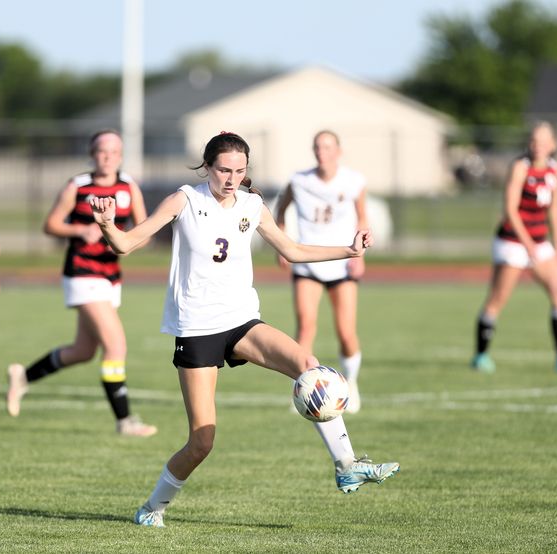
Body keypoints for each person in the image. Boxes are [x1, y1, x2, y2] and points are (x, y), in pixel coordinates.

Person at [90, 131, 399, 528]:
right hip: (197, 328)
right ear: (207, 167)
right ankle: (153, 507)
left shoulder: (252, 205)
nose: (231, 178)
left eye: (239, 170)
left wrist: (349, 249)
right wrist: (107, 225)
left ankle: (347, 464)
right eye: (223, 170)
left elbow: (292, 250)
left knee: (309, 364)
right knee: (202, 440)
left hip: (241, 321)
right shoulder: (185, 200)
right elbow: (127, 243)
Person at [5, 129, 157, 438]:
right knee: (116, 345)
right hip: (82, 273)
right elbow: (50, 224)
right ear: (92, 153)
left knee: (83, 350)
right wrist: (80, 231)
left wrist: (124, 242)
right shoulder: (78, 186)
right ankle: (125, 421)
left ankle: (23, 376)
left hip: (110, 276)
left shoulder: (129, 186)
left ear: (121, 155)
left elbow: (145, 232)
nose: (108, 157)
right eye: (102, 151)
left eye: (114, 152)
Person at [471, 121, 557, 374]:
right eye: (533, 141)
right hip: (512, 243)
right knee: (497, 299)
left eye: (542, 142)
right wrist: (527, 245)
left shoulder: (554, 171)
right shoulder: (520, 168)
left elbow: (555, 208)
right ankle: (481, 355)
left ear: (553, 145)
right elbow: (510, 211)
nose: (537, 146)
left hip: (540, 243)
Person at [275, 130, 367, 413]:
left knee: (346, 331)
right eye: (317, 146)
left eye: (327, 147)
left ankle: (351, 383)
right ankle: (302, 387)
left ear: (338, 151)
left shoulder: (353, 181)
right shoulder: (299, 180)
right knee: (305, 326)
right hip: (307, 264)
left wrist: (361, 254)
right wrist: (282, 244)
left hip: (341, 264)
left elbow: (362, 218)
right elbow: (280, 211)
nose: (321, 152)